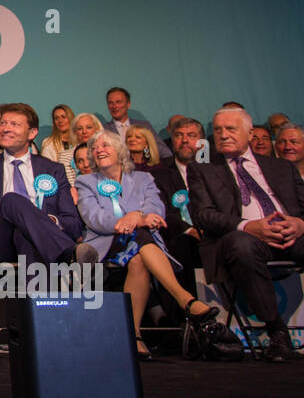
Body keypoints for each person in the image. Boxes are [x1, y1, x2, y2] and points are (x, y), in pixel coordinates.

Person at [186, 108, 304, 364]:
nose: (223, 135)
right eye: (218, 130)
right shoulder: (203, 169)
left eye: (231, 129)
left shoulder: (281, 167)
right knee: (240, 244)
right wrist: (248, 226)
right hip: (246, 238)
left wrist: (300, 224)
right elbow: (203, 215)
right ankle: (276, 331)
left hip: (294, 237)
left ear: (250, 133)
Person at [77, 130, 217, 358]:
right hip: (108, 242)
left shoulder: (144, 179)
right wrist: (136, 219)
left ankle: (134, 336)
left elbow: (156, 208)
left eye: (105, 145)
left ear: (120, 151)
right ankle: (185, 299)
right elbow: (94, 218)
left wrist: (138, 217)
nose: (99, 149)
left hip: (142, 246)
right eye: (94, 147)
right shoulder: (86, 182)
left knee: (139, 258)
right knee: (141, 236)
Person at [0, 103, 81, 269]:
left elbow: (74, 224)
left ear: (32, 133)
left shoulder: (53, 170)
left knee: (24, 234)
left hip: (36, 246)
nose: (5, 129)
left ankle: (34, 295)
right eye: (3, 123)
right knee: (10, 200)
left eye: (14, 124)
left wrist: (46, 222)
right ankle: (68, 254)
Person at [151, 117, 208, 294]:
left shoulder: (216, 171)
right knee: (184, 244)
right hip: (180, 235)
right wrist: (189, 230)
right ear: (172, 141)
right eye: (178, 135)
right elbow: (162, 210)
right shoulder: (159, 175)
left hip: (215, 232)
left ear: (201, 142)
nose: (184, 140)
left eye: (191, 135)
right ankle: (189, 311)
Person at [103, 87, 170, 158]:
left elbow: (164, 152)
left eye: (118, 102)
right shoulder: (103, 130)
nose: (114, 106)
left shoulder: (144, 126)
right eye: (111, 103)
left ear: (128, 104)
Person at [41, 104, 77, 182]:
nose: (60, 121)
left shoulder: (80, 140)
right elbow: (48, 168)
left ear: (71, 118)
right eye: (56, 118)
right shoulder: (48, 143)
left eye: (63, 117)